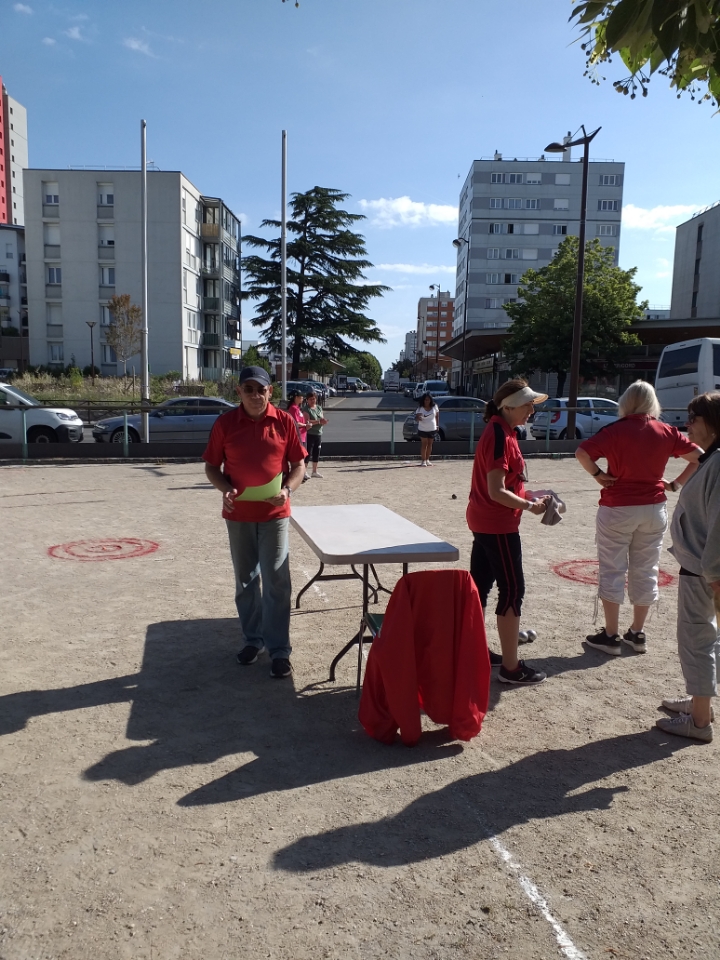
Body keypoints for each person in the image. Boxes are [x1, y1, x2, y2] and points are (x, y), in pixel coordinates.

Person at [576, 380, 700, 656]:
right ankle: (637, 632)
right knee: (647, 568)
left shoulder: (616, 430)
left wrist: (599, 476)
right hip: (654, 507)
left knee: (613, 568)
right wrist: (676, 484)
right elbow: (699, 457)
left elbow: (582, 452)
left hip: (618, 506)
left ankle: (610, 635)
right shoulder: (666, 430)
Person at [203, 366, 306, 679]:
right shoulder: (225, 424)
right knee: (245, 581)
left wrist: (287, 490)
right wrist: (226, 489)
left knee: (276, 581)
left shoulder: (285, 421)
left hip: (274, 515)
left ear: (269, 392)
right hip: (239, 515)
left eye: (260, 389)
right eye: (249, 389)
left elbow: (298, 465)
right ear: (239, 393)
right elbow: (211, 467)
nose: (255, 395)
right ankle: (253, 640)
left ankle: (279, 650)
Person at [467, 378, 551, 685]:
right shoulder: (500, 434)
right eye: (528, 404)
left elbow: (507, 485)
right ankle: (511, 668)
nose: (532, 409)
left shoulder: (503, 431)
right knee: (512, 590)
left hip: (487, 521)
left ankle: (474, 649)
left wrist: (529, 497)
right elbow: (496, 491)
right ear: (509, 406)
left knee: (480, 587)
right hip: (496, 524)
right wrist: (530, 507)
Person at [656, 391, 720, 742]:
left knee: (698, 640)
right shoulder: (712, 458)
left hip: (705, 571)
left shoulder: (719, 462)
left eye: (694, 419)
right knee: (702, 638)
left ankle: (699, 721)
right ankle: (699, 703)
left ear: (713, 423)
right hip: (702, 567)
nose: (688, 425)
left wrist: (714, 574)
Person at [303, 390, 328, 479]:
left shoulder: (319, 408)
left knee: (317, 452)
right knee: (308, 452)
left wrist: (323, 421)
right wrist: (318, 422)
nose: (313, 401)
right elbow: (307, 421)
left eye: (314, 399)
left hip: (318, 432)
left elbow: (322, 418)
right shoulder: (306, 409)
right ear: (307, 400)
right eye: (310, 399)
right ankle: (304, 471)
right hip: (310, 433)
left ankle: (314, 471)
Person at [286, 389, 309, 479]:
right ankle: (299, 473)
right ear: (296, 397)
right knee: (299, 456)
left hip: (303, 434)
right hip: (298, 434)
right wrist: (305, 425)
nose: (302, 398)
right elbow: (295, 422)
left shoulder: (298, 408)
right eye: (301, 397)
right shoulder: (293, 408)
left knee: (303, 455)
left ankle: (303, 472)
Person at [415, 393, 439, 466]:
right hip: (423, 428)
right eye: (425, 400)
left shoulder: (434, 407)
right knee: (424, 444)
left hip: (432, 427)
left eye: (428, 400)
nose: (427, 401)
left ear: (430, 400)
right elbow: (416, 417)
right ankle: (423, 460)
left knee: (430, 444)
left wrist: (437, 425)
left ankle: (427, 459)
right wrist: (418, 418)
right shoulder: (420, 408)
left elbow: (437, 416)